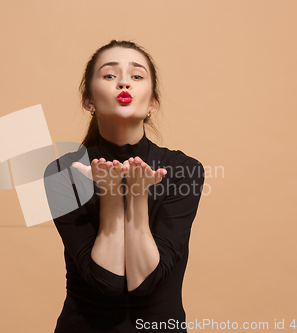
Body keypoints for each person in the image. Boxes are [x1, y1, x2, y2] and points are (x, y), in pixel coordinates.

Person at [44, 40, 205, 332]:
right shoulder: (62, 172)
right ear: (88, 100)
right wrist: (111, 193)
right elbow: (108, 281)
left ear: (153, 102)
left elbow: (145, 283)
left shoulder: (184, 170)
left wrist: (138, 193)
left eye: (136, 76)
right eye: (109, 75)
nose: (123, 83)